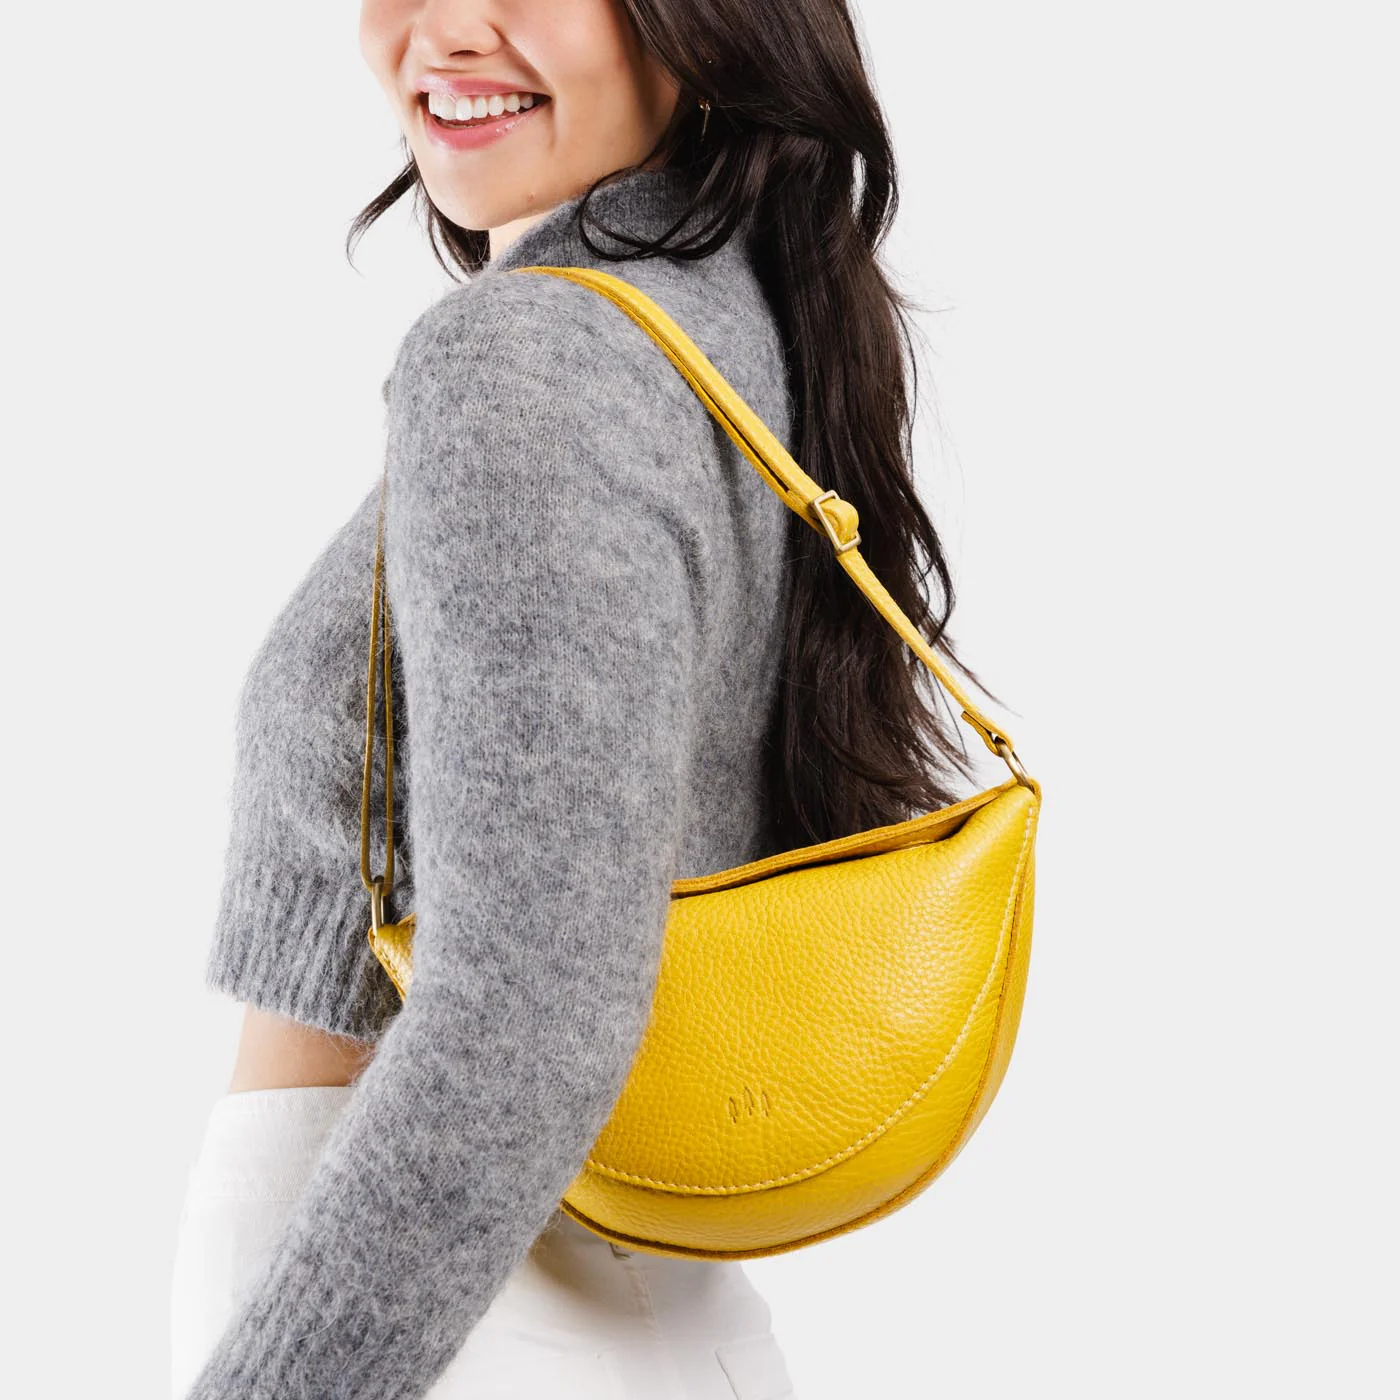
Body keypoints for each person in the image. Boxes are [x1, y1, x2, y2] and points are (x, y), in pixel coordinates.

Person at [169, 1, 991, 1397]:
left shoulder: (530, 362)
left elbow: (526, 1017)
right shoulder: (726, 311)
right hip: (582, 1305)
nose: (446, 30)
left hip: (454, 1324)